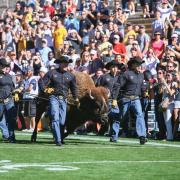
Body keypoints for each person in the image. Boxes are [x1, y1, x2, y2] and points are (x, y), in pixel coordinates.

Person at [40, 55, 79, 146]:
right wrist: (45, 89)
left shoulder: (71, 76)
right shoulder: (52, 73)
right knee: (55, 118)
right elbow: (41, 82)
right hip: (53, 98)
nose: (66, 65)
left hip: (64, 99)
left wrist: (76, 98)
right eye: (64, 63)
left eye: (67, 63)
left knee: (62, 121)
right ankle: (58, 140)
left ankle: (56, 132)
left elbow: (74, 88)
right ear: (60, 64)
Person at [112, 57, 147, 144]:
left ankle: (142, 136)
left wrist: (144, 93)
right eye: (138, 64)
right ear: (133, 64)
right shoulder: (126, 74)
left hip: (136, 99)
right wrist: (114, 99)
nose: (140, 66)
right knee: (121, 117)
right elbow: (117, 86)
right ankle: (114, 135)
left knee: (139, 115)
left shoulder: (141, 75)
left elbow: (142, 86)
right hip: (125, 99)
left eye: (140, 64)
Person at [97, 60, 121, 142]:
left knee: (116, 117)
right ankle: (102, 131)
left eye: (116, 67)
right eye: (113, 67)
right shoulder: (104, 77)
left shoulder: (119, 78)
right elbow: (97, 88)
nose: (114, 69)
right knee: (104, 118)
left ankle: (114, 136)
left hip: (115, 101)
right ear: (110, 68)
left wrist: (116, 99)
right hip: (105, 101)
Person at [0, 58, 16, 143]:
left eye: (6, 66)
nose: (5, 67)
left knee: (11, 119)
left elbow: (12, 88)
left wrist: (15, 92)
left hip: (9, 100)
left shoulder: (9, 76)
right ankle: (6, 133)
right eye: (3, 66)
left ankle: (11, 136)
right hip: (0, 101)